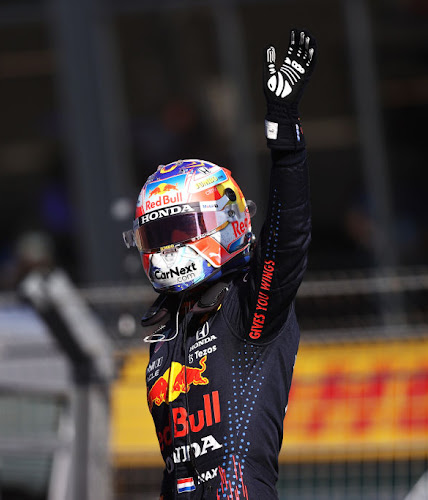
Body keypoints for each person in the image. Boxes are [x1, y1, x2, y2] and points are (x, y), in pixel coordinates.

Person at [123, 28, 316, 499]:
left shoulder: (247, 312)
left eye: (180, 230)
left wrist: (284, 134)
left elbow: (286, 241)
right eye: (158, 234)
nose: (169, 246)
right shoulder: (165, 327)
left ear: (227, 220)